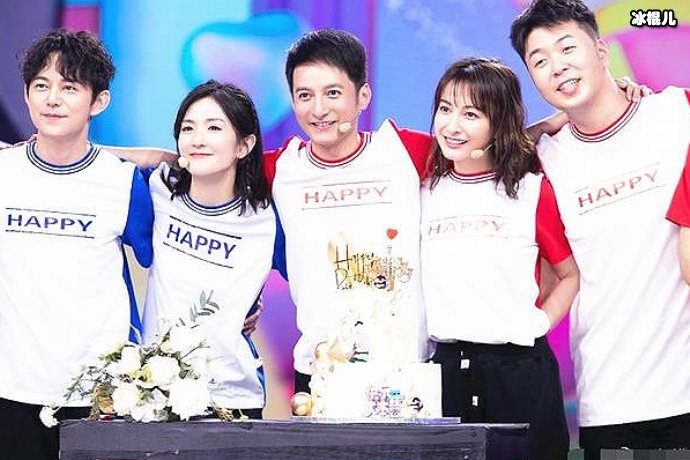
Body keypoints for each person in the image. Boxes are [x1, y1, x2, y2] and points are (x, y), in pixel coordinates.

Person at [511, 0, 690, 454]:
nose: (557, 66)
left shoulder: (678, 113)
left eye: (567, 48)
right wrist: (546, 126)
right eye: (540, 61)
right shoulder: (543, 162)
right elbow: (479, 153)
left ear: (602, 51)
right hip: (609, 401)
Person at [0, 29, 153, 460]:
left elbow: (166, 262)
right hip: (11, 387)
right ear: (26, 95)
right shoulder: (4, 171)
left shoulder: (122, 181)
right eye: (41, 86)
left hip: (99, 393)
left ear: (98, 101)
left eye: (69, 88)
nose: (53, 99)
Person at [422, 57, 577, 460]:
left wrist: (539, 323)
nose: (452, 126)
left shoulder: (531, 191)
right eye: (445, 109)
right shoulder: (423, 190)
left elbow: (568, 275)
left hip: (520, 372)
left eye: (471, 114)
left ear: (500, 121)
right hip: (444, 372)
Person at [142, 80, 284, 419]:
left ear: (244, 145)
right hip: (154, 394)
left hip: (233, 397)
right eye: (187, 128)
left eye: (214, 128)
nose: (197, 139)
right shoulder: (157, 189)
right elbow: (99, 162)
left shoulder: (267, 218)